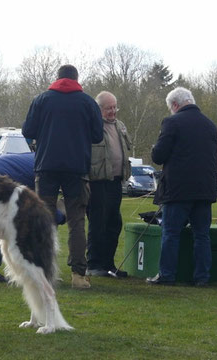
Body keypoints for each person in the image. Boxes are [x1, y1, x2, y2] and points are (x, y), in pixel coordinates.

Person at [22, 65, 103, 289]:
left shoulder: (42, 100)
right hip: (77, 169)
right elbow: (97, 135)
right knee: (77, 220)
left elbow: (28, 131)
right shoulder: (88, 103)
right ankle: (78, 275)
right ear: (77, 79)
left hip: (46, 167)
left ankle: (46, 273)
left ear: (56, 78)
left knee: (45, 221)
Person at [147, 87, 217, 286]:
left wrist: (154, 148)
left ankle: (167, 275)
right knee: (202, 235)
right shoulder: (210, 125)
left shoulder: (172, 122)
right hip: (204, 190)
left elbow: (159, 155)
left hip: (178, 190)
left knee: (171, 233)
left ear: (175, 105)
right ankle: (202, 277)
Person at [0, 152, 66, 282]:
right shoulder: (48, 168)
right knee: (8, 226)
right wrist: (61, 217)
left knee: (0, 224)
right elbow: (43, 207)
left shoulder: (40, 157)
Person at [86, 91, 131, 278]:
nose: (113, 111)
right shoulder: (92, 127)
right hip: (97, 182)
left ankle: (109, 264)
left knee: (114, 222)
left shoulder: (120, 126)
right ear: (99, 109)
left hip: (116, 182)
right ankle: (94, 264)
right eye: (108, 108)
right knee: (98, 223)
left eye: (114, 107)